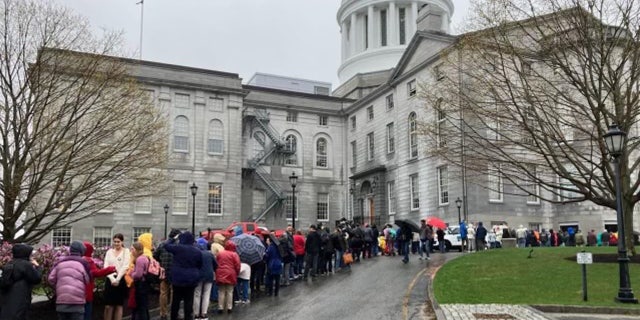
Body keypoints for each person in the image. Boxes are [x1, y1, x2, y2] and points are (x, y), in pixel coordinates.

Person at [164, 231, 202, 320]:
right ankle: (188, 317)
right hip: (191, 278)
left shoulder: (178, 248)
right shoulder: (197, 251)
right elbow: (199, 264)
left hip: (178, 278)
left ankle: (174, 317)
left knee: (176, 300)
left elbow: (166, 245)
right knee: (189, 300)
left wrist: (173, 239)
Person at [48, 240, 91, 320]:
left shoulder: (60, 263)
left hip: (61, 302)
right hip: (77, 303)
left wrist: (58, 287)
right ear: (82, 251)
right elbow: (87, 280)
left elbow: (51, 279)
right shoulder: (83, 264)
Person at [0, 243, 43, 320]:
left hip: (8, 299)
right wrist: (38, 267)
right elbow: (37, 279)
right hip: (21, 297)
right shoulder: (26, 265)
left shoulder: (9, 264)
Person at [82, 242, 116, 320]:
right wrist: (111, 269)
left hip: (74, 293)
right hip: (87, 292)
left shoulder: (75, 260)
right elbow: (97, 273)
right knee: (86, 313)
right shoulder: (89, 261)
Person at [154, 229, 180, 320]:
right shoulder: (178, 245)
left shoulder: (162, 245)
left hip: (164, 271)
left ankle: (163, 313)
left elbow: (155, 256)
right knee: (174, 293)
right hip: (175, 271)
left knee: (163, 293)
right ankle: (173, 312)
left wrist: (160, 264)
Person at [103, 233, 130, 320]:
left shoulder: (126, 251)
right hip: (110, 280)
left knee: (119, 305)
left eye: (118, 242)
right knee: (108, 306)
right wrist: (112, 279)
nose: (116, 243)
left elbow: (125, 266)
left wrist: (117, 279)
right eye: (114, 241)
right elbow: (106, 266)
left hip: (120, 280)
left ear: (122, 242)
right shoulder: (109, 252)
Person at [193, 238, 217, 320]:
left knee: (197, 294)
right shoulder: (210, 254)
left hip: (198, 276)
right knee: (206, 294)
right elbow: (216, 265)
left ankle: (196, 314)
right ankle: (204, 314)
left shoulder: (196, 254)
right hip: (209, 275)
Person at [215, 241, 240, 314]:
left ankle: (220, 307)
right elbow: (237, 265)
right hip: (231, 274)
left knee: (221, 291)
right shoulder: (234, 254)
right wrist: (236, 273)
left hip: (221, 273)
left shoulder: (220, 253)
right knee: (230, 291)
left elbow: (216, 263)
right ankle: (229, 307)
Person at [129, 242, 151, 320]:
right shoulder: (144, 257)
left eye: (132, 249)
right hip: (145, 284)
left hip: (141, 285)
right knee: (144, 306)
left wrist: (131, 273)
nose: (131, 251)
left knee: (140, 307)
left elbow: (138, 274)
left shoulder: (140, 259)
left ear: (137, 250)